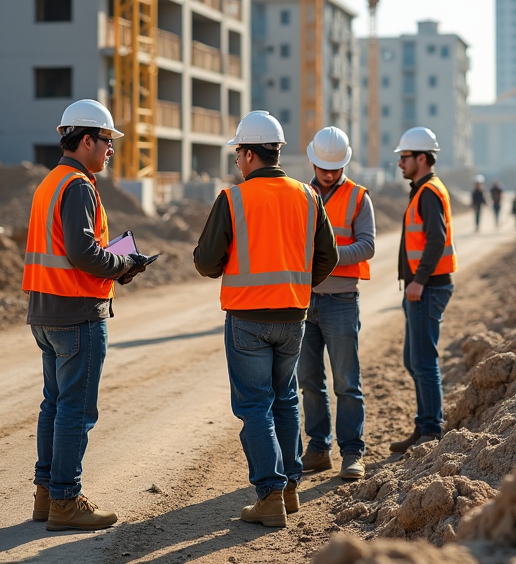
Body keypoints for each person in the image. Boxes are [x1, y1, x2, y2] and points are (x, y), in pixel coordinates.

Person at [194, 110, 338, 528]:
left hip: (247, 318)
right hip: (294, 315)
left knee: (256, 405)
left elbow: (206, 262)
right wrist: (298, 284)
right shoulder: (308, 196)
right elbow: (326, 256)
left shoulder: (233, 198)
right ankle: (290, 488)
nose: (237, 161)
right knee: (286, 398)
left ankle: (270, 495)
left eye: (238, 152)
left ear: (249, 153)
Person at [23, 99, 150, 532]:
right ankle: (65, 500)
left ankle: (46, 494)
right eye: (107, 141)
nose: (111, 149)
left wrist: (114, 266)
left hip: (46, 310)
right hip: (76, 313)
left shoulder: (51, 182)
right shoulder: (78, 185)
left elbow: (65, 249)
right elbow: (82, 252)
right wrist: (123, 264)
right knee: (76, 410)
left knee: (55, 405)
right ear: (86, 139)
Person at [298, 126, 375, 481]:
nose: (329, 174)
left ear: (344, 164)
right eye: (323, 168)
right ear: (313, 161)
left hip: (342, 300)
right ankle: (318, 448)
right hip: (304, 301)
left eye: (335, 168)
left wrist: (325, 257)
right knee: (309, 381)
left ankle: (352, 452)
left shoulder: (360, 198)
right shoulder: (300, 195)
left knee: (346, 381)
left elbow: (367, 246)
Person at [389, 127, 458, 454]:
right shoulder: (422, 189)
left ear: (421, 157)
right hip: (423, 287)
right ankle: (425, 424)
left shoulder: (429, 192)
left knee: (423, 359)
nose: (400, 163)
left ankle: (431, 429)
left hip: (427, 287)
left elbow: (436, 239)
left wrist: (418, 280)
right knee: (414, 359)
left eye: (404, 157)